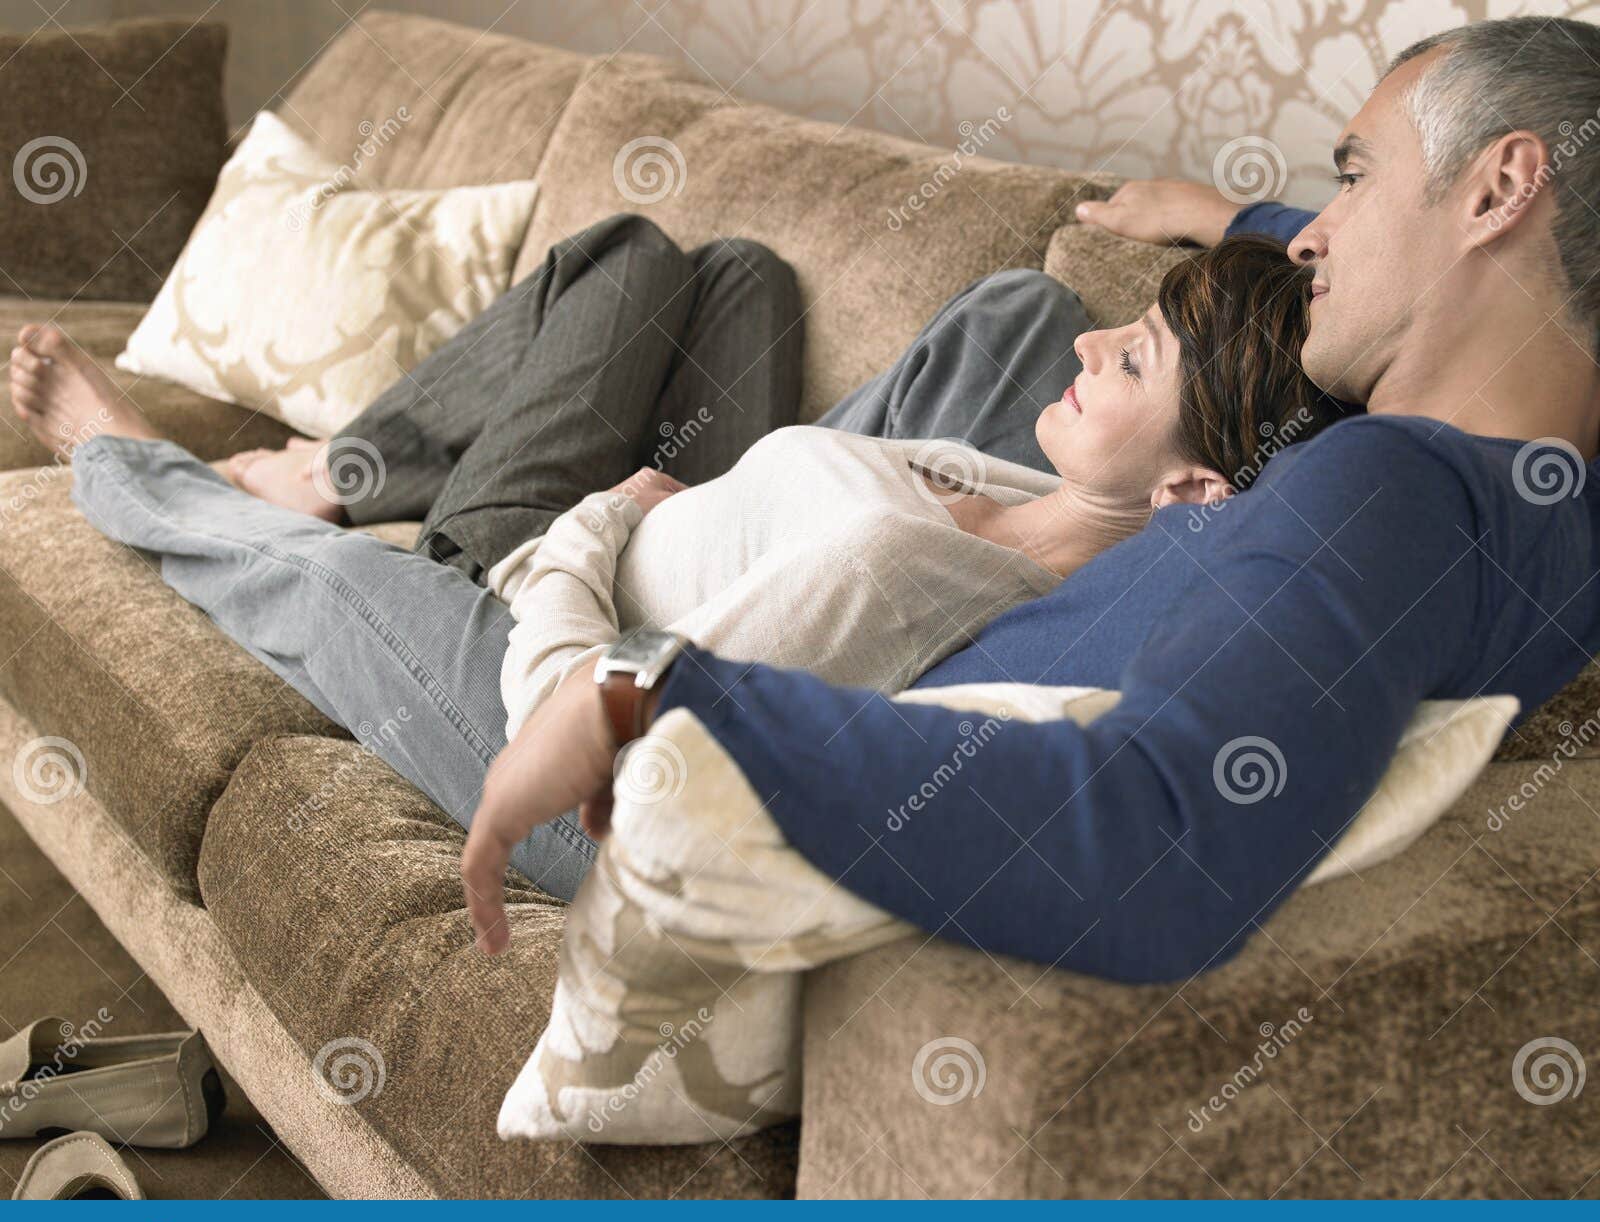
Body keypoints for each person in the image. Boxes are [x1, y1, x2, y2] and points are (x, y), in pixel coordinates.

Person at [455, 16, 1600, 980]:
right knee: (978, 316)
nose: (1312, 232)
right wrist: (1231, 221)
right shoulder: (1552, 516)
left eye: (1351, 177)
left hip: (693, 766)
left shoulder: (1383, 482)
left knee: (281, 563)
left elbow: (1153, 853)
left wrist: (649, 691)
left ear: (1498, 186)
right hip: (834, 657)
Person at [12, 220, 1334, 902]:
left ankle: (181, 471)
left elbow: (578, 716)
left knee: (332, 571)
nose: (1095, 342)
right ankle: (340, 475)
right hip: (683, 538)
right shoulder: (1035, 489)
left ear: (1192, 488)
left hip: (529, 602)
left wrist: (595, 518)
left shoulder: (912, 569)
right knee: (741, 269)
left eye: (1137, 357)